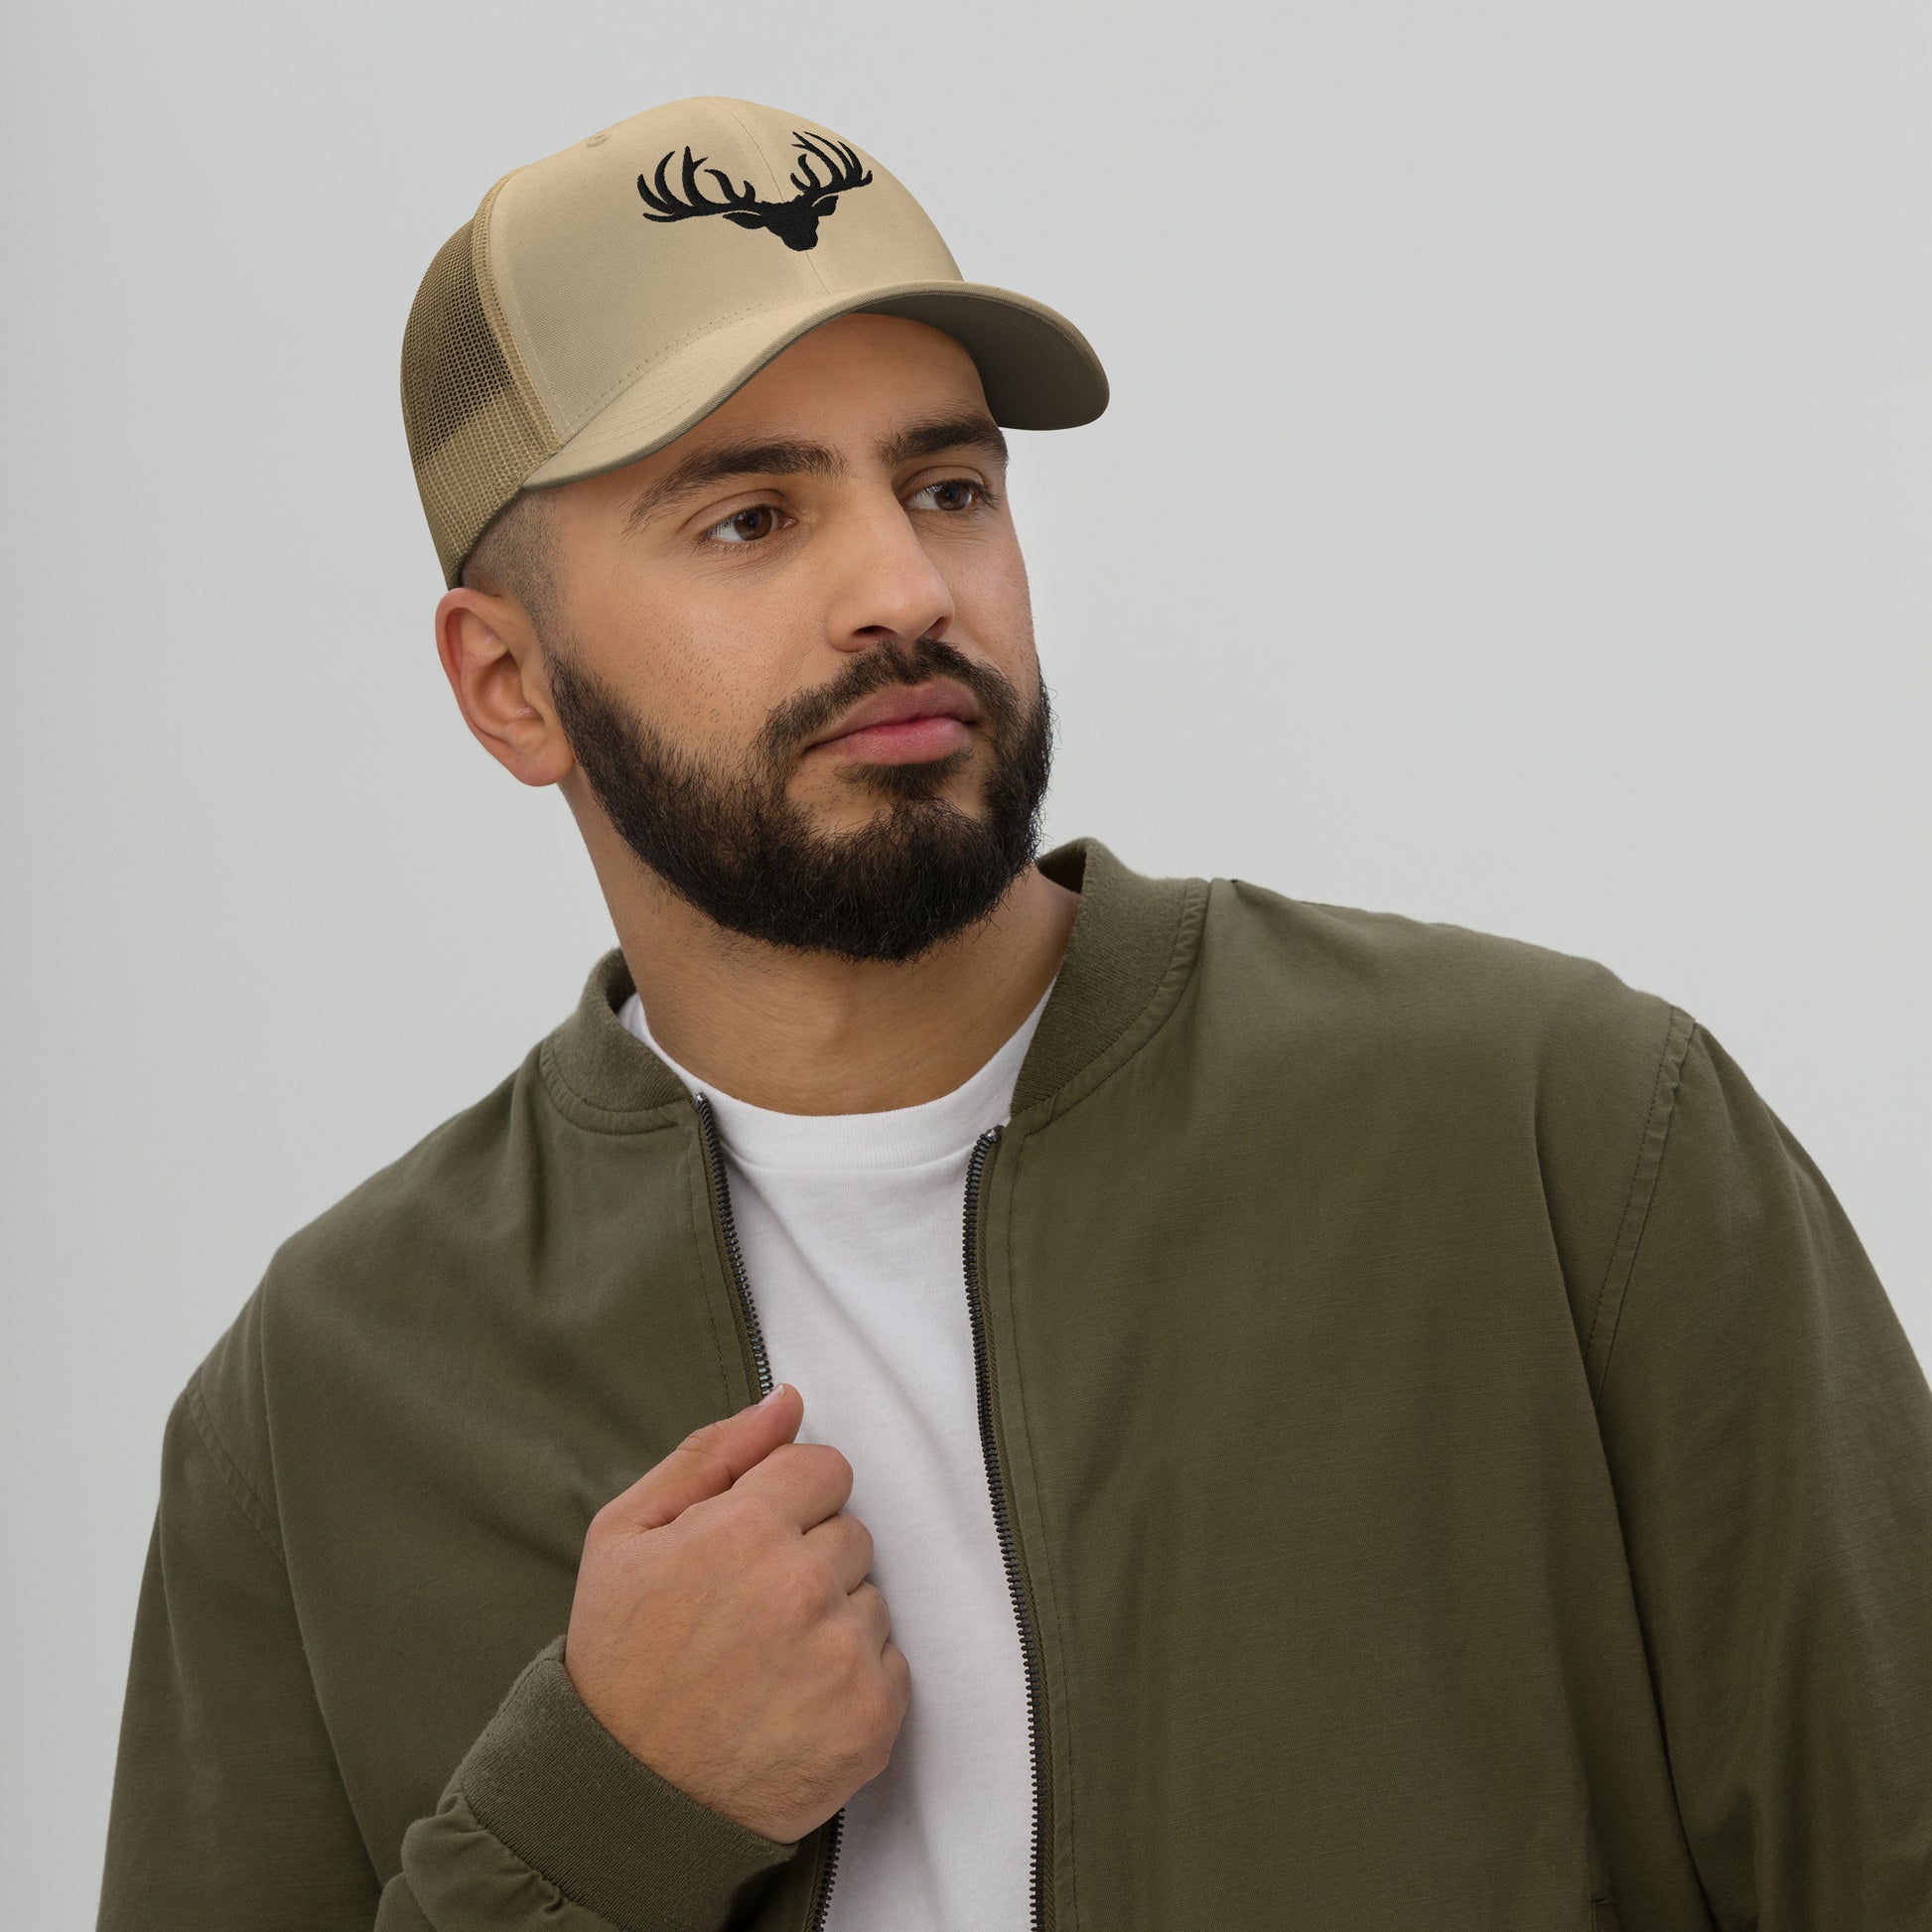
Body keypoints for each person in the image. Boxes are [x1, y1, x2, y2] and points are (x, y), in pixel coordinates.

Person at [95, 93, 1931, 1932]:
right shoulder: (323, 1404)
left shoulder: (1559, 1143)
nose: (904, 590)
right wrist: (592, 1820)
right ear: (509, 685)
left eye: (947, 488)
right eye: (750, 518)